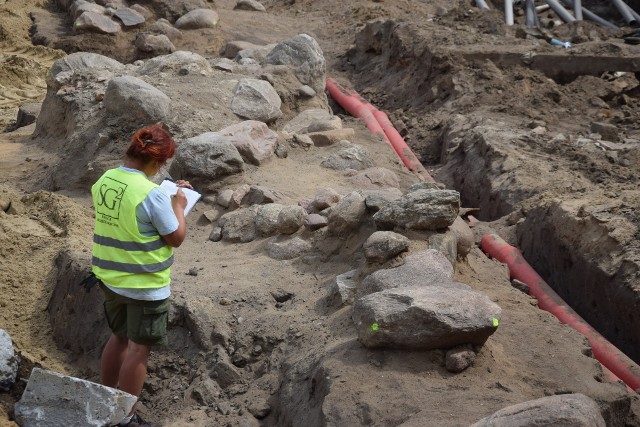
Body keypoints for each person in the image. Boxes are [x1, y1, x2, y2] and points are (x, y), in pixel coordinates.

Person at [91, 123, 191, 427]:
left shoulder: (106, 179)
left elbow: (130, 216)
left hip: (110, 276)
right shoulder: (153, 195)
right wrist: (179, 204)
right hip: (144, 284)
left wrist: (167, 199)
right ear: (155, 162)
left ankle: (105, 400)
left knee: (118, 338)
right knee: (138, 349)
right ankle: (125, 418)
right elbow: (175, 237)